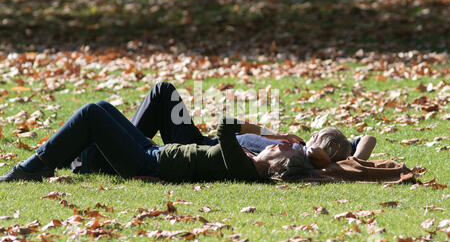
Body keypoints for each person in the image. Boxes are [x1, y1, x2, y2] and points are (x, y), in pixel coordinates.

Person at [68, 82, 376, 176]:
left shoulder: (307, 163)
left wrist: (332, 159)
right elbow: (367, 137)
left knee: (151, 106)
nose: (314, 145)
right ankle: (106, 151)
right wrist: (307, 143)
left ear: (330, 156)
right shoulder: (300, 146)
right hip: (199, 140)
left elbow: (359, 149)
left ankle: (98, 157)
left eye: (322, 147)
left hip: (206, 151)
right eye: (317, 141)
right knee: (163, 92)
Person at [0, 101, 329, 183]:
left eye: (280, 150)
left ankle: (35, 167)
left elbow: (224, 126)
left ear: (278, 165)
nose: (276, 145)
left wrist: (270, 133)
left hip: (146, 161)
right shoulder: (248, 165)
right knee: (99, 109)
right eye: (280, 144)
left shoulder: (242, 166)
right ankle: (79, 157)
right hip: (152, 152)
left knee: (90, 113)